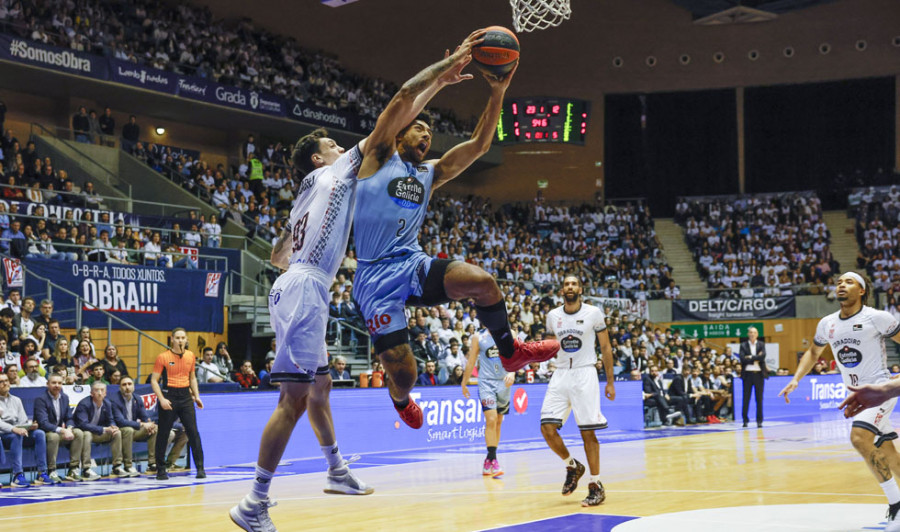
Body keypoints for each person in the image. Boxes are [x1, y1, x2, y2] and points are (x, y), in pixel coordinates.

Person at [231, 32, 481, 529]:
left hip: (298, 285)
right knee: (294, 401)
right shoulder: (338, 172)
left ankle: (337, 470)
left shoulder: (309, 188)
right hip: (305, 289)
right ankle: (254, 502)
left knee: (320, 389)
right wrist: (447, 67)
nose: (341, 146)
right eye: (331, 144)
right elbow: (400, 104)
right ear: (321, 158)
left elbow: (281, 249)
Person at [352, 30, 557, 430]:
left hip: (412, 264)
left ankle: (511, 350)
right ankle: (399, 399)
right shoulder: (378, 156)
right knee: (404, 373)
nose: (426, 135)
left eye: (430, 133)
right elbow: (402, 99)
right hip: (374, 277)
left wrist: (498, 91)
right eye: (420, 129)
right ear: (400, 133)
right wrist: (447, 68)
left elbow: (480, 144)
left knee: (482, 282)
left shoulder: (431, 173)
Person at [779, 272, 900, 531]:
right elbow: (813, 352)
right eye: (838, 282)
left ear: (862, 290)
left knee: (859, 437)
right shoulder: (827, 323)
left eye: (848, 282)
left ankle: (896, 506)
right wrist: (796, 379)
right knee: (890, 455)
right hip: (856, 396)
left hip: (879, 391)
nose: (841, 286)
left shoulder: (877, 317)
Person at [539, 276, 615, 507]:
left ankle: (596, 484)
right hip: (560, 374)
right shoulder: (553, 316)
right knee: (546, 427)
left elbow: (605, 346)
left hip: (585, 373)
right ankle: (572, 465)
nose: (570, 287)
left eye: (574, 284)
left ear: (580, 289)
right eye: (567, 284)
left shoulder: (593, 313)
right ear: (562, 289)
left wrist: (609, 381)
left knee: (588, 432)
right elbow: (550, 347)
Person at [150, 328, 205, 480]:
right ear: (172, 339)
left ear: (186, 339)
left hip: (186, 397)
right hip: (169, 396)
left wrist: (197, 396)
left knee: (193, 432)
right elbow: (154, 380)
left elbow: (192, 378)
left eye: (183, 338)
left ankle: (200, 468)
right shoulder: (163, 357)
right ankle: (161, 470)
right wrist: (161, 399)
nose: (180, 340)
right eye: (178, 338)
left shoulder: (191, 356)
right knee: (163, 433)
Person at [461, 326, 514, 477]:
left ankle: (488, 461)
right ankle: (494, 459)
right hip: (486, 382)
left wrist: (512, 372)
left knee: (498, 421)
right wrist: (464, 382)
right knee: (490, 419)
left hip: (504, 382)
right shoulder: (478, 337)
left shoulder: (510, 333)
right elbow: (471, 361)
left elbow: (516, 356)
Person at [0, 372, 51, 486]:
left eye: (6, 381)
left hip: (18, 432)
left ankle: (42, 473)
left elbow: (22, 420)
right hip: (4, 435)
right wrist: (14, 429)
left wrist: (30, 426)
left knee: (39, 434)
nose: (4, 384)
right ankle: (18, 475)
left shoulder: (16, 400)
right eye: (1, 382)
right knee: (16, 435)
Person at [34, 374, 85, 483]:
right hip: (45, 433)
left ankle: (73, 469)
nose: (57, 385)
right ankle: (51, 470)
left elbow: (69, 417)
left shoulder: (65, 397)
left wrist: (70, 428)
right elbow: (43, 423)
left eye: (59, 383)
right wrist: (63, 430)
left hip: (60, 432)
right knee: (53, 437)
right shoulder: (41, 399)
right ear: (47, 384)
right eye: (54, 383)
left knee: (79, 433)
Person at [74, 381, 125, 480]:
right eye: (96, 390)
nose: (100, 393)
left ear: (105, 393)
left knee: (117, 433)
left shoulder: (107, 403)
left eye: (102, 390)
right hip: (84, 433)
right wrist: (104, 429)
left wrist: (113, 427)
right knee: (87, 434)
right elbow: (83, 425)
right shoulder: (84, 404)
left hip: (98, 433)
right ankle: (86, 469)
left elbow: (111, 420)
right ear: (91, 393)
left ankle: (117, 466)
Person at [110, 376, 157, 477]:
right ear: (120, 388)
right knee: (128, 430)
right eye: (124, 384)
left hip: (134, 430)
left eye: (129, 384)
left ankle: (152, 463)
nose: (127, 387)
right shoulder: (115, 400)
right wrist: (143, 424)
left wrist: (149, 424)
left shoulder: (137, 398)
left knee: (155, 429)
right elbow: (121, 421)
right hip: (119, 431)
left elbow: (144, 417)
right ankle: (128, 465)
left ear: (134, 387)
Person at [739, 326, 768, 428]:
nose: (752, 334)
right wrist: (756, 358)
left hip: (759, 374)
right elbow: (742, 358)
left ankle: (759, 421)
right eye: (750, 332)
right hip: (747, 375)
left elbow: (763, 356)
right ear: (748, 334)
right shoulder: (743, 345)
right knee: (746, 398)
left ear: (757, 334)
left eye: (754, 332)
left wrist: (750, 357)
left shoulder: (761, 344)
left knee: (759, 399)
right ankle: (745, 420)